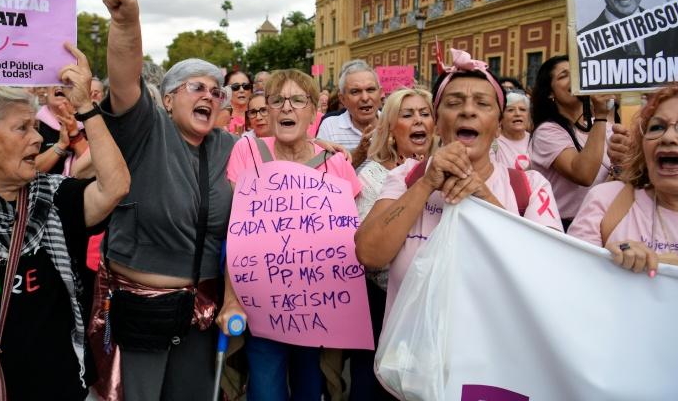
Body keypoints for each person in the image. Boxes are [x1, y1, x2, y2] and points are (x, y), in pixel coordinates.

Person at [0, 20, 130, 400]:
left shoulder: (54, 197)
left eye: (36, 126)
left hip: (57, 386)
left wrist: (86, 105)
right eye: (22, 128)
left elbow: (115, 185)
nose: (38, 137)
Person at [92, 0, 237, 400]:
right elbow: (123, 79)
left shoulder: (231, 147)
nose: (209, 97)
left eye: (217, 92)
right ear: (169, 99)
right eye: (197, 88)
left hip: (202, 312)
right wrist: (126, 21)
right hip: (140, 311)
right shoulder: (146, 130)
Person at [355, 49, 562, 322]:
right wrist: (426, 184)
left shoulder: (530, 187)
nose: (467, 110)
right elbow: (369, 253)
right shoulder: (406, 177)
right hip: (413, 359)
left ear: (498, 126)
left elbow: (547, 275)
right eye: (454, 103)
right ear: (437, 124)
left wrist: (484, 196)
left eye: (482, 104)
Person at [218, 69, 362, 401]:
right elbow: (237, 233)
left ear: (314, 111)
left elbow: (351, 241)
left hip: (317, 309)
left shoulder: (336, 163)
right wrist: (230, 299)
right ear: (266, 110)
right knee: (265, 393)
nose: (287, 108)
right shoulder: (247, 152)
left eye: (298, 100)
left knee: (310, 391)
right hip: (260, 306)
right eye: (277, 100)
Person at [352, 87, 435, 401]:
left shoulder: (451, 171)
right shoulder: (371, 177)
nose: (418, 121)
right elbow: (368, 252)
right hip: (383, 306)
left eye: (424, 114)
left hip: (434, 309)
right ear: (390, 128)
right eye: (408, 114)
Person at [569, 84, 678, 276]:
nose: (668, 137)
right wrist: (607, 263)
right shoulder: (606, 200)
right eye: (657, 127)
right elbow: (570, 282)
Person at [529, 56, 613, 230]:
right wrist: (602, 115)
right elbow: (583, 174)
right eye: (564, 75)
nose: (575, 79)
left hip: (602, 222)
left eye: (577, 73)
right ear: (550, 92)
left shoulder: (605, 127)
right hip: (565, 228)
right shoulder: (547, 132)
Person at [317, 59, 381, 167]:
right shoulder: (329, 126)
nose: (365, 98)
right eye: (355, 91)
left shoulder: (394, 123)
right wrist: (360, 153)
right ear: (342, 99)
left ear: (380, 93)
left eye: (370, 90)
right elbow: (323, 174)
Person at [491, 90, 531, 170]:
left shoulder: (536, 141)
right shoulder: (493, 144)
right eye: (510, 110)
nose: (517, 113)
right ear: (501, 118)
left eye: (522, 109)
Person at [225, 70, 252, 135]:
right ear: (226, 90)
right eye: (235, 87)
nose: (242, 90)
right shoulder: (219, 116)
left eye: (246, 86)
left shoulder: (261, 113)